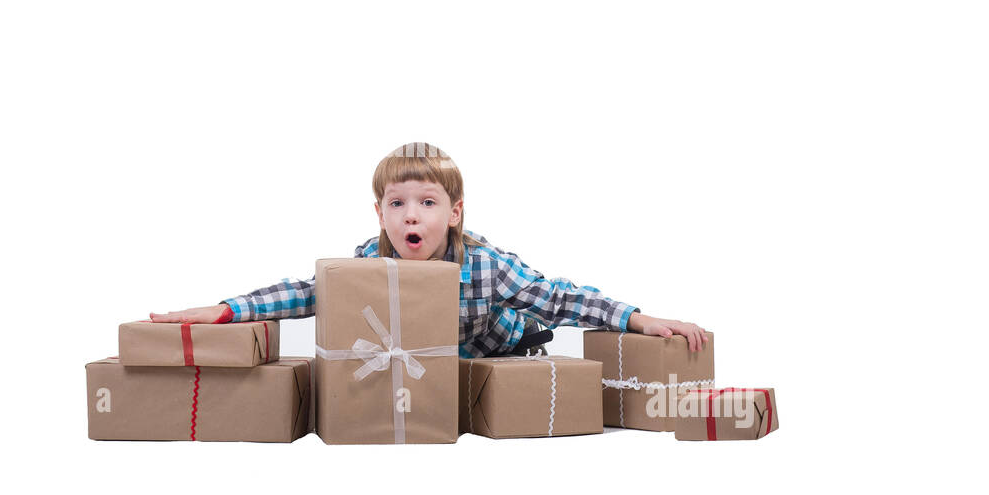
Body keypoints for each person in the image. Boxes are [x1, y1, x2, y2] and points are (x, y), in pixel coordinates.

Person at [150, 142, 707, 357]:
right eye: (397, 204)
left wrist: (638, 319)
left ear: (455, 213)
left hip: (500, 351)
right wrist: (226, 310)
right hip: (425, 368)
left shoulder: (485, 266)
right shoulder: (372, 262)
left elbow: (558, 298)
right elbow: (307, 294)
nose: (411, 215)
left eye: (427, 202)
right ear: (380, 215)